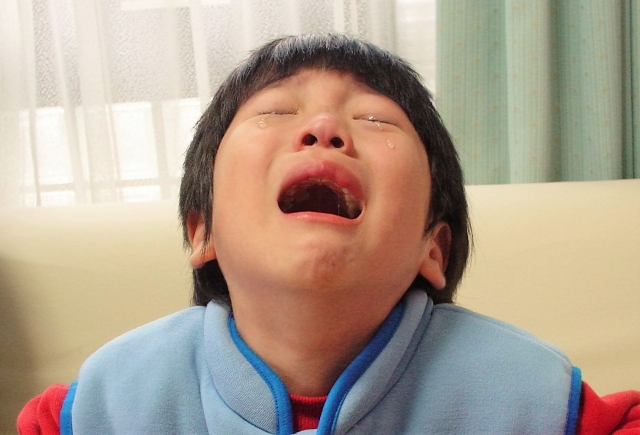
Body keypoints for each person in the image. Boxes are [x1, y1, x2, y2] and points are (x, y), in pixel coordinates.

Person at [17, 34, 640, 434]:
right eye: (274, 111)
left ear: (434, 249)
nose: (322, 128)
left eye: (374, 118)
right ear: (202, 231)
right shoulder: (109, 404)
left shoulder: (529, 396)